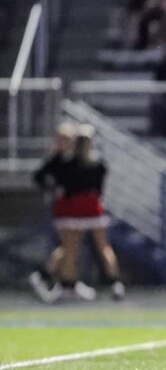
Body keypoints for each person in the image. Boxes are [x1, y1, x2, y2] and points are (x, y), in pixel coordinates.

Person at [32, 124, 125, 302]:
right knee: (77, 248)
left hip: (76, 208)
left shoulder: (77, 162)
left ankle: (60, 281)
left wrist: (58, 188)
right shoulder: (77, 162)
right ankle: (70, 283)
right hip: (80, 208)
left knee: (74, 248)